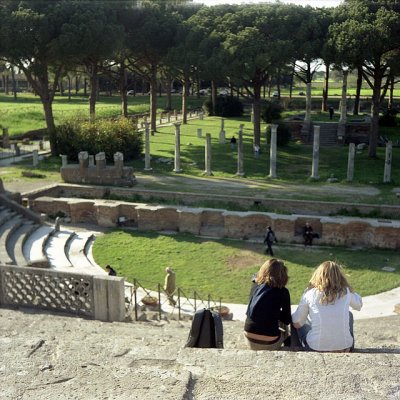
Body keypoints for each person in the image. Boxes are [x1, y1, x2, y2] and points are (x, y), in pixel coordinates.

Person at [292, 261, 363, 352]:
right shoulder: (346, 292)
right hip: (344, 346)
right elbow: (359, 305)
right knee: (349, 314)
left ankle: (295, 350)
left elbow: (297, 322)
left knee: (296, 318)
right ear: (340, 276)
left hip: (316, 347)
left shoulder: (310, 294)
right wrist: (348, 288)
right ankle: (346, 344)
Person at [244, 259, 292, 350]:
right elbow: (287, 320)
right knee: (283, 326)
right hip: (270, 342)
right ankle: (288, 343)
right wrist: (275, 312)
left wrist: (271, 311)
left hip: (248, 337)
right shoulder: (283, 292)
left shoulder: (255, 286)